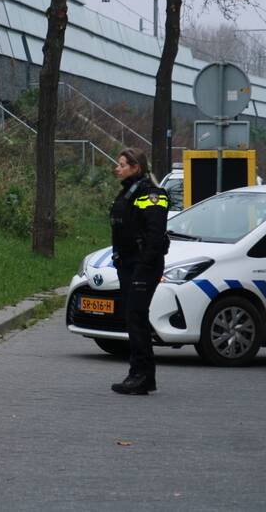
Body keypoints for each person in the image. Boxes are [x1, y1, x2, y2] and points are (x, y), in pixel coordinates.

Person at [108, 148, 169, 396]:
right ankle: (141, 374)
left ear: (136, 167)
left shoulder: (152, 194)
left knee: (136, 318)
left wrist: (143, 266)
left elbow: (154, 235)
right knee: (134, 318)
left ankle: (141, 375)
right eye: (118, 164)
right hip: (128, 264)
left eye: (122, 164)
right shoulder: (127, 192)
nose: (117, 168)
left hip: (143, 266)